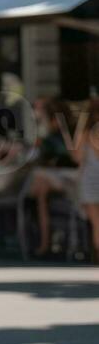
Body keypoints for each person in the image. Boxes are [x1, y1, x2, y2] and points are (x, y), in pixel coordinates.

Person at [27, 96, 78, 257]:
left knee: (39, 185)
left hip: (72, 177)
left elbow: (72, 158)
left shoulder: (67, 132)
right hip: (55, 178)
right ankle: (44, 242)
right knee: (40, 190)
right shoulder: (50, 135)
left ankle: (44, 243)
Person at [72, 96, 99, 264]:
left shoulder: (86, 132)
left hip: (90, 179)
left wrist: (81, 124)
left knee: (96, 221)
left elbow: (77, 156)